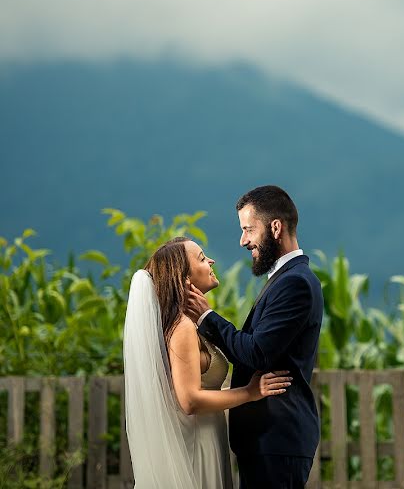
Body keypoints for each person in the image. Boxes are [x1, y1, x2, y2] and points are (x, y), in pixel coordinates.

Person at [123, 236, 292, 488]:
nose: (211, 260)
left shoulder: (192, 324)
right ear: (186, 278)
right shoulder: (181, 328)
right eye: (202, 258)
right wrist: (250, 392)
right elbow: (189, 400)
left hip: (208, 437)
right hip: (196, 445)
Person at [185, 185, 324, 489]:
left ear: (276, 227)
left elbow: (258, 352)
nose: (243, 240)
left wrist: (208, 317)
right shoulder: (286, 279)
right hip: (267, 440)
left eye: (248, 229)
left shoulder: (296, 283)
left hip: (277, 437)